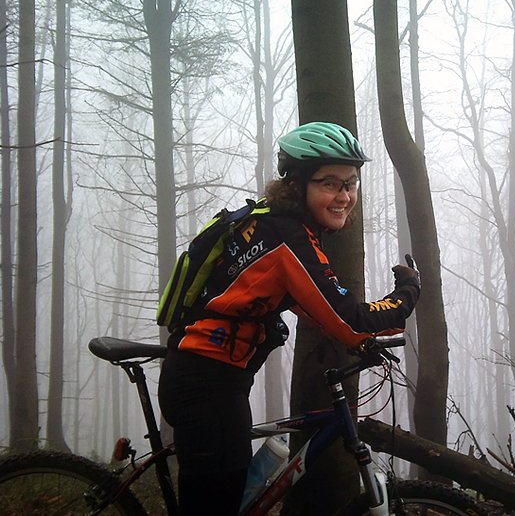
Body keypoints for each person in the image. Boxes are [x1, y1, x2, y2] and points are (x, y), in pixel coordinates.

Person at [158, 121, 420, 515]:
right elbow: (351, 319)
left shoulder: (275, 224)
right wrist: (407, 293)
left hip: (209, 378)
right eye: (330, 183)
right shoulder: (287, 238)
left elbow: (309, 305)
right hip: (206, 387)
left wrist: (355, 338)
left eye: (351, 183)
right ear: (298, 184)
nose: (345, 195)